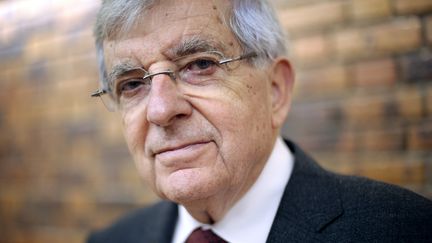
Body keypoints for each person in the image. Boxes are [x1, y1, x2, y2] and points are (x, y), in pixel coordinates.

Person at [87, 0, 432, 242]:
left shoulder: (404, 230)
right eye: (131, 84)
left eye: (199, 65)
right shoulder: (111, 240)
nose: (160, 110)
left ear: (276, 89)